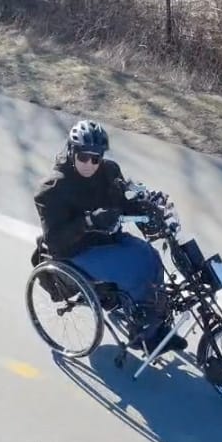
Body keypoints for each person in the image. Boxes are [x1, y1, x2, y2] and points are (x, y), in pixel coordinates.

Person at [33, 120, 185, 354]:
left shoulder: (109, 171)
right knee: (133, 271)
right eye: (84, 157)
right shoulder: (52, 189)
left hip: (107, 239)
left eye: (96, 158)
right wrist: (89, 221)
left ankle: (159, 323)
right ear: (72, 151)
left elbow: (122, 204)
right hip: (75, 252)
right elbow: (55, 240)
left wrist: (149, 209)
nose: (90, 164)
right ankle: (145, 334)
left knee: (151, 257)